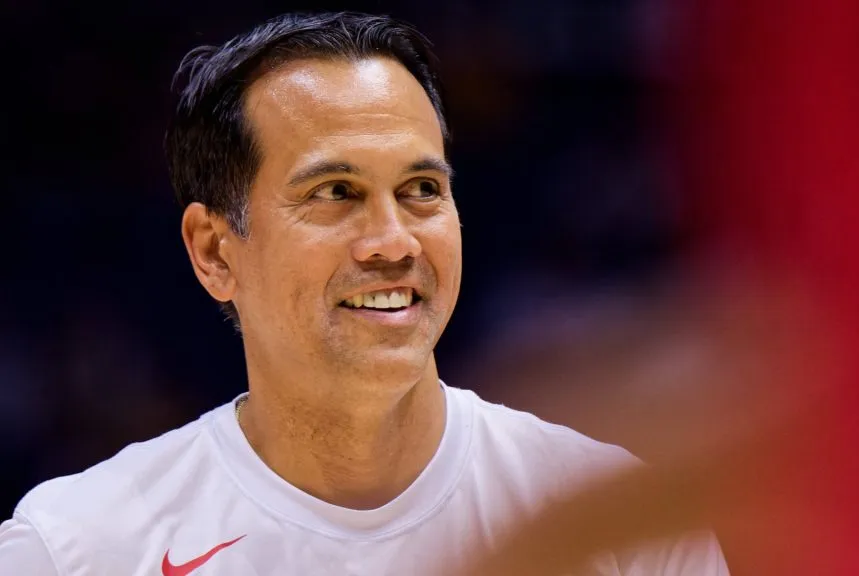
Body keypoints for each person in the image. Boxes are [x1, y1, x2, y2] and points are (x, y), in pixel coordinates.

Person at [0, 12, 727, 575]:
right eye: (336, 192)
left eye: (421, 191)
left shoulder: (624, 518)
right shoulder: (75, 547)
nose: (394, 241)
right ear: (215, 252)